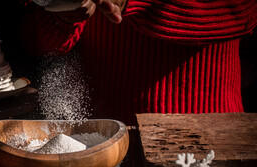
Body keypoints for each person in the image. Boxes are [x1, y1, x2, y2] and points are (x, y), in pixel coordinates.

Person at [16, 0, 257, 125]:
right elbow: (38, 44)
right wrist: (62, 14)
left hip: (209, 132)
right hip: (107, 138)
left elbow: (242, 12)